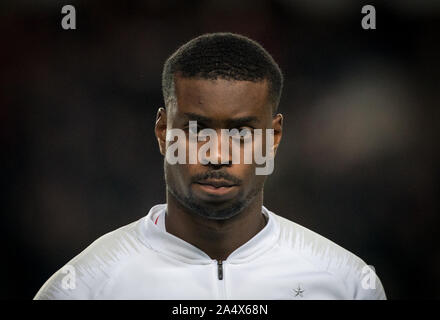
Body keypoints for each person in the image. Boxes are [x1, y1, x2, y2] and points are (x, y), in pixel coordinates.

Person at [34, 32, 386, 300]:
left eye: (242, 132)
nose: (217, 155)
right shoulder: (84, 287)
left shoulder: (348, 284)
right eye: (195, 130)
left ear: (274, 136)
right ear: (162, 131)